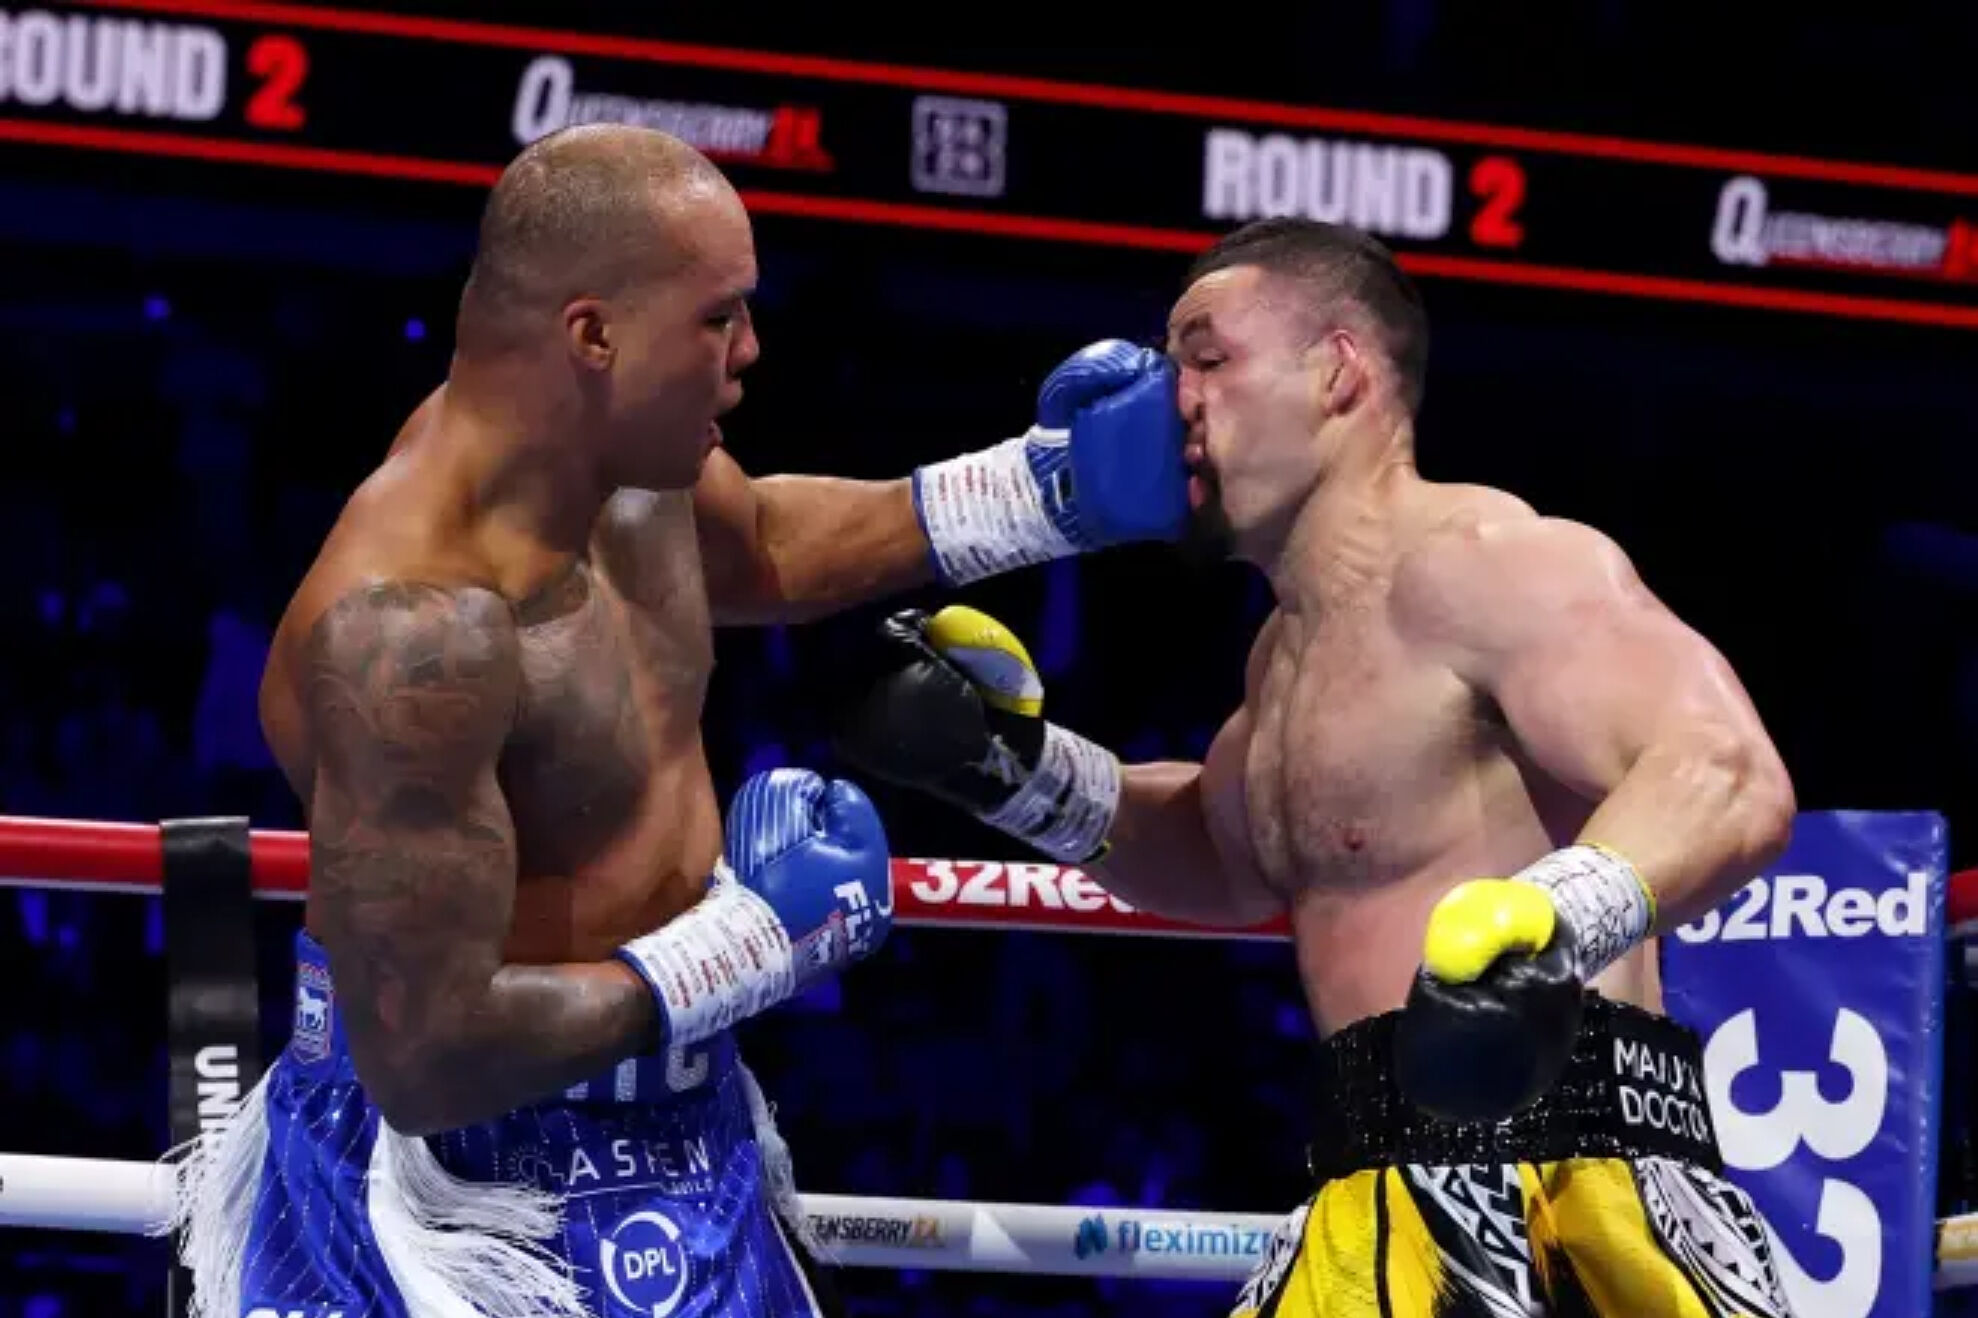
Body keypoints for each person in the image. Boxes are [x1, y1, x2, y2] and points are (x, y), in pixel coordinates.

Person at [161, 123, 1191, 1318]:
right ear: (592, 333)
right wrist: (752, 944)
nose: (751, 350)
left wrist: (1043, 493)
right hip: (448, 1201)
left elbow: (764, 544)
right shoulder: (412, 635)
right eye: (719, 317)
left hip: (688, 1132)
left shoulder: (625, 470)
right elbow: (425, 1060)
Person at [838, 217, 1803, 1316]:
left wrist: (1543, 925)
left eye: (1209, 360)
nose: (1174, 403)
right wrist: (1008, 769)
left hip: (1568, 1170)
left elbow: (1725, 769)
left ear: (1339, 373)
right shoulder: (1286, 658)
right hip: (1371, 1178)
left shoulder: (1487, 563)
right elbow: (1224, 852)